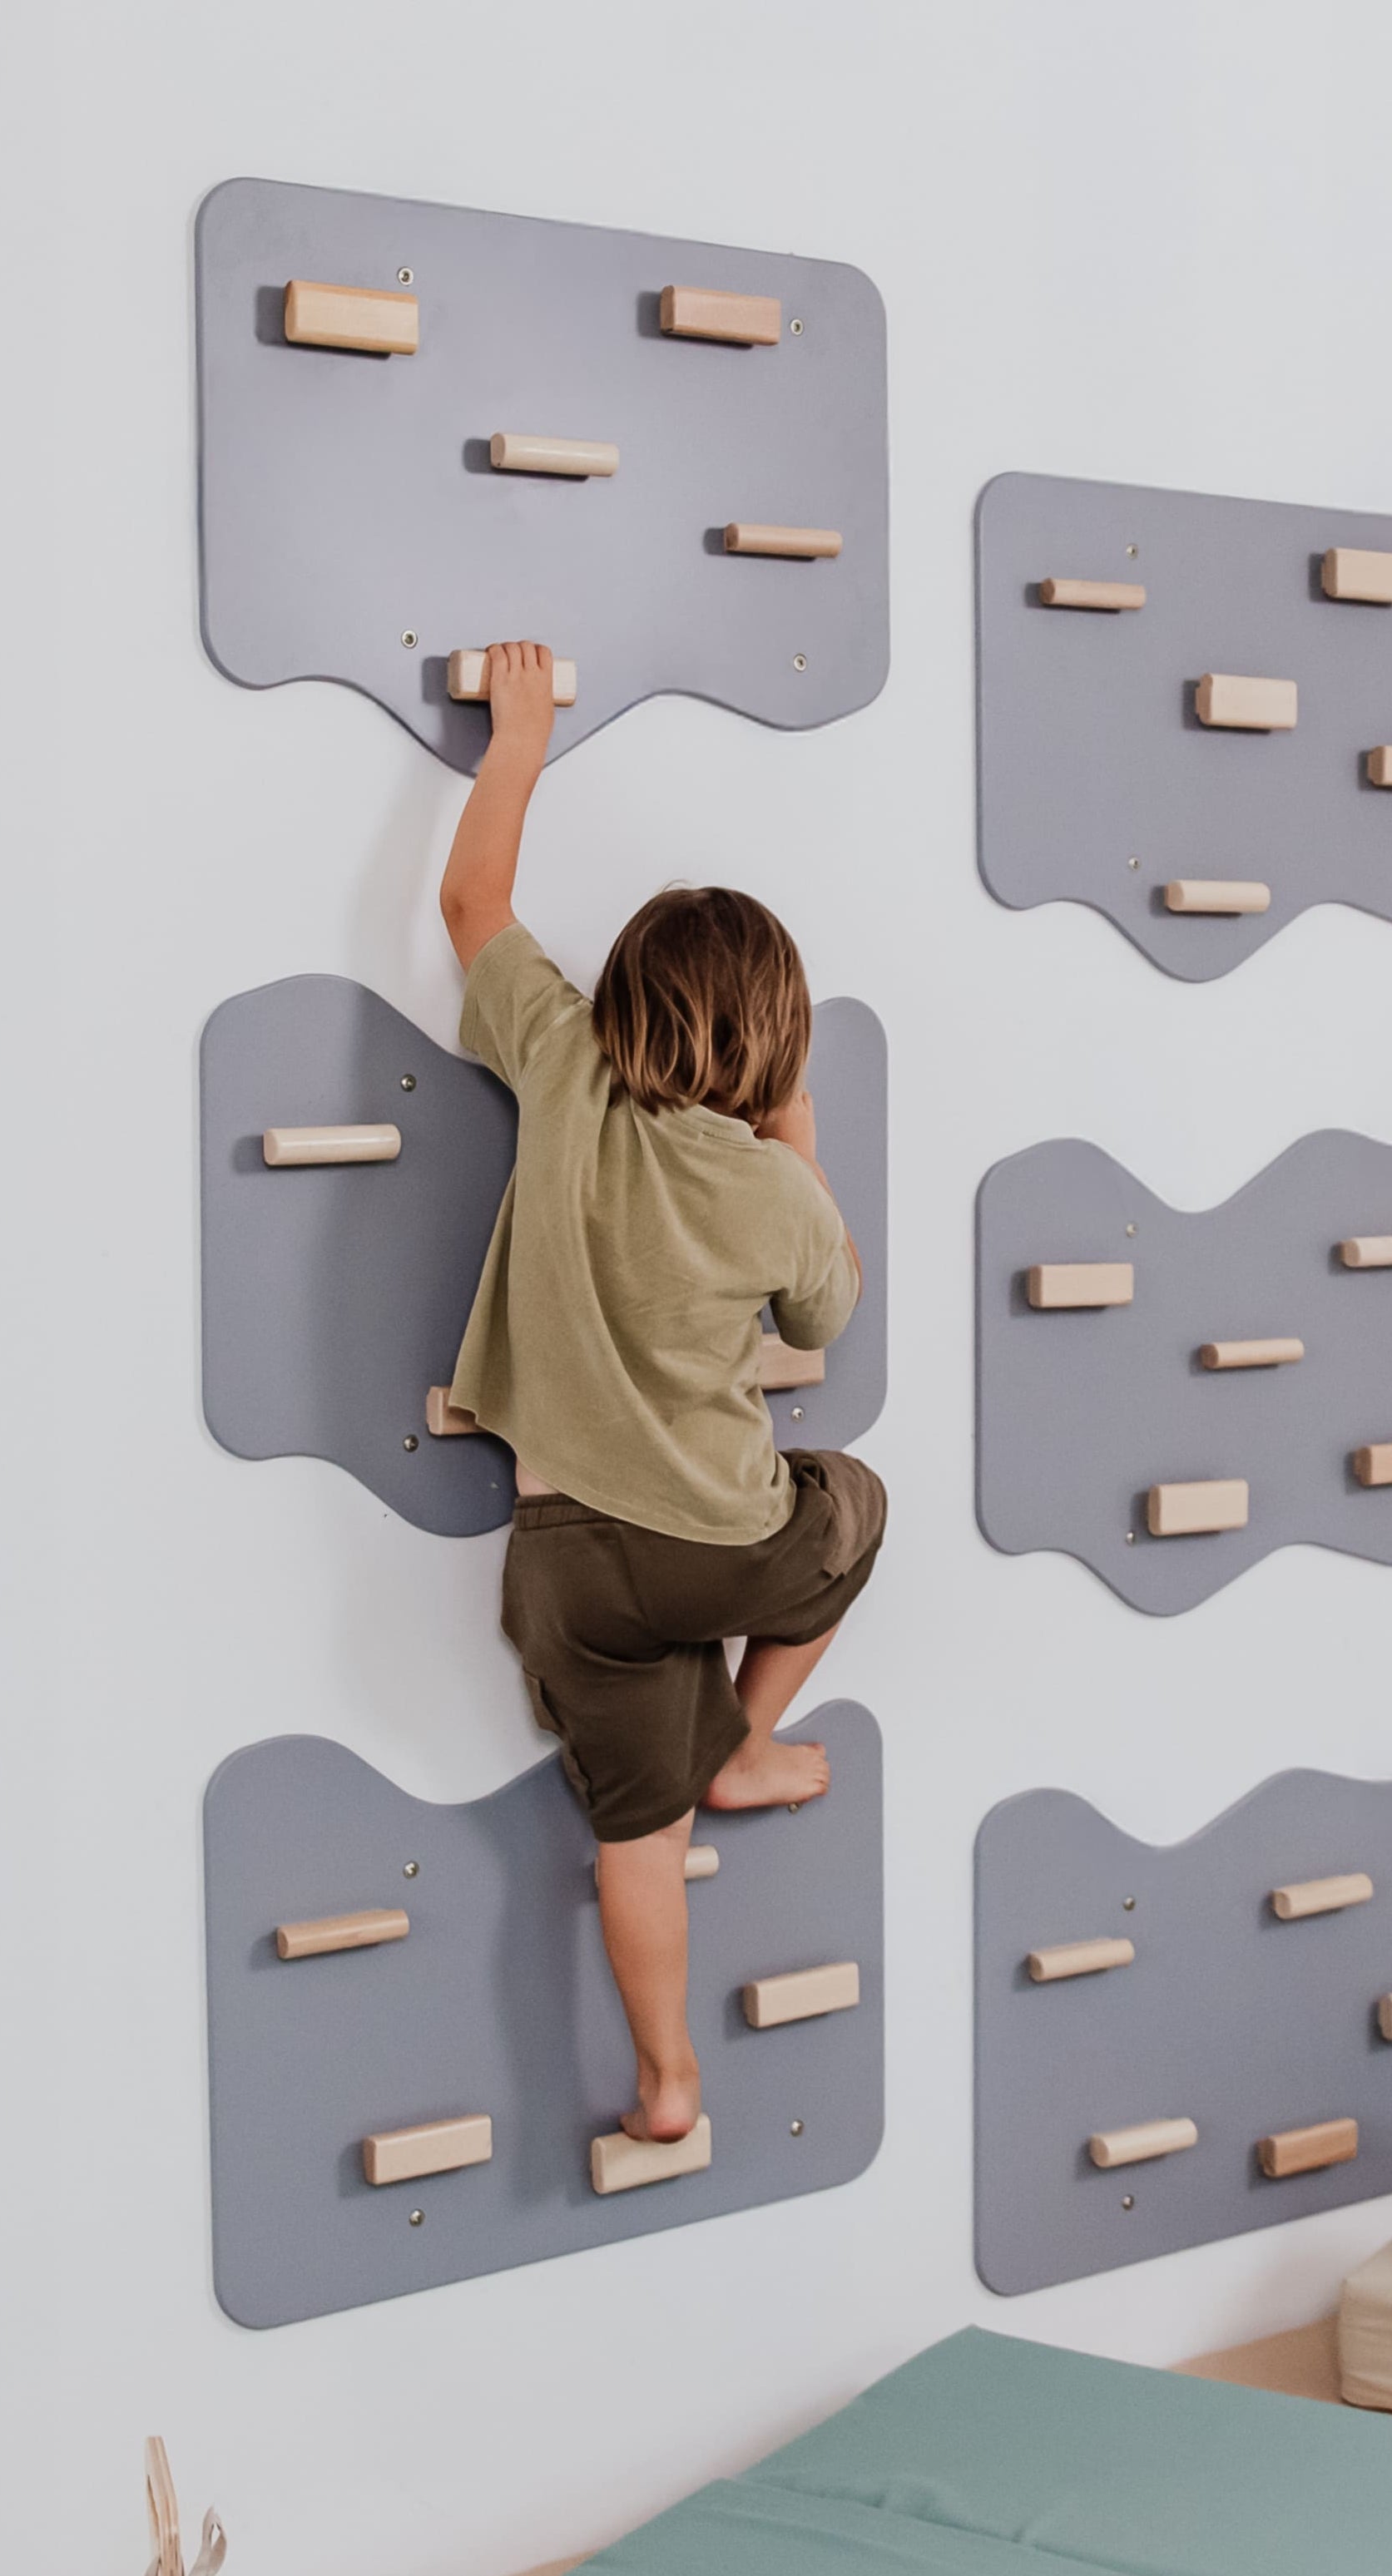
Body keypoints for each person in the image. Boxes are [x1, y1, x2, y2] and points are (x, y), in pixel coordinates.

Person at [439, 640, 885, 2149]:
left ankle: (665, 2075)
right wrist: (796, 1132)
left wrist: (518, 734)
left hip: (567, 1563)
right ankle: (748, 1733)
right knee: (854, 1504)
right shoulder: (773, 1186)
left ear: (621, 992)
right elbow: (831, 1308)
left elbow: (472, 904)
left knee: (637, 1831)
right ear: (779, 1049)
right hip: (723, 1543)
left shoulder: (562, 1058)